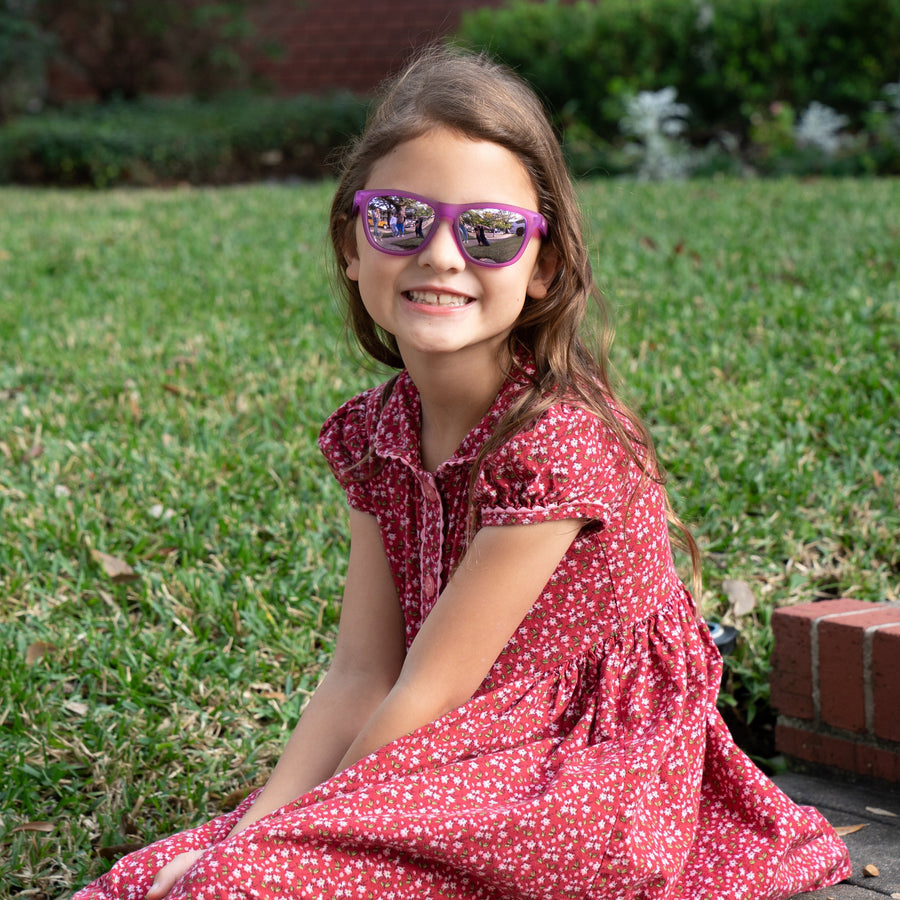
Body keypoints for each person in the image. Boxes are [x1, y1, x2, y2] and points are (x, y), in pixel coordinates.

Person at [74, 47, 851, 900]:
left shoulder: (558, 441)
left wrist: (279, 843)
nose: (442, 256)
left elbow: (429, 689)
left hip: (581, 773)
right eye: (401, 219)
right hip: (448, 744)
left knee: (245, 881)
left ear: (542, 265)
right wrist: (260, 826)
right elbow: (362, 676)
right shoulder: (379, 432)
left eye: (488, 231)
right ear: (351, 243)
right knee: (149, 879)